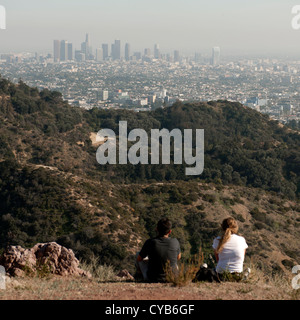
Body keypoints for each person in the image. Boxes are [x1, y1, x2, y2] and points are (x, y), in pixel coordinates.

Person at [193, 217, 249, 283]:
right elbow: (242, 258)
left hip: (220, 275)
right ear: (236, 227)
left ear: (222, 227)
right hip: (237, 274)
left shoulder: (217, 240)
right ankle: (243, 276)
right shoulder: (242, 240)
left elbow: (218, 260)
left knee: (205, 269)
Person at [136, 218, 181, 283]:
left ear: (156, 229)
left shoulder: (150, 242)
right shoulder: (175, 241)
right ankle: (175, 274)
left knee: (138, 254)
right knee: (174, 260)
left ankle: (141, 277)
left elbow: (139, 259)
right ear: (170, 231)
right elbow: (178, 257)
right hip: (172, 278)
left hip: (153, 278)